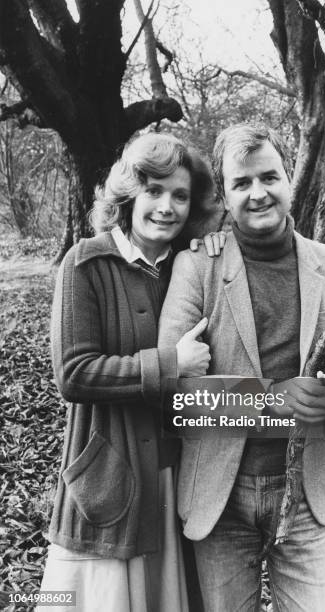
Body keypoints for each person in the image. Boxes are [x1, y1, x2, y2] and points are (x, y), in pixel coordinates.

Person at [158, 123, 325, 611]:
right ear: (225, 195)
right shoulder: (199, 266)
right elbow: (173, 389)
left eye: (269, 177)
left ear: (289, 178)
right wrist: (273, 402)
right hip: (221, 497)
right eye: (241, 183)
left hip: (305, 498)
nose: (258, 193)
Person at [38, 132, 222, 612]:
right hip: (108, 478)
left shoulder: (190, 268)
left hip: (172, 479)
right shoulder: (85, 262)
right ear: (128, 195)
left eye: (180, 195)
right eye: (154, 191)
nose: (167, 206)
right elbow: (73, 373)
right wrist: (170, 365)